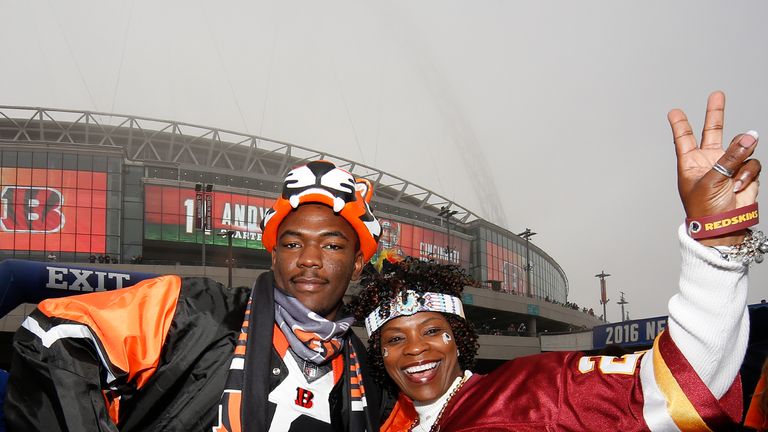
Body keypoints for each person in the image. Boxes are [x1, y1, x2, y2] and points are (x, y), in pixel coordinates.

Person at [352, 91, 761, 431]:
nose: (415, 349)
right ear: (380, 356)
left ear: (459, 337)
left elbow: (680, 385)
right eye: (394, 339)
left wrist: (716, 244)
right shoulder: (393, 425)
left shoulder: (535, 389)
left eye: (432, 330)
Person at [5, 160, 384, 431]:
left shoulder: (367, 375)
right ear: (274, 255)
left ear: (356, 264)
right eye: (292, 243)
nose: (309, 260)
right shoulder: (196, 310)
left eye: (332, 246)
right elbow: (53, 335)